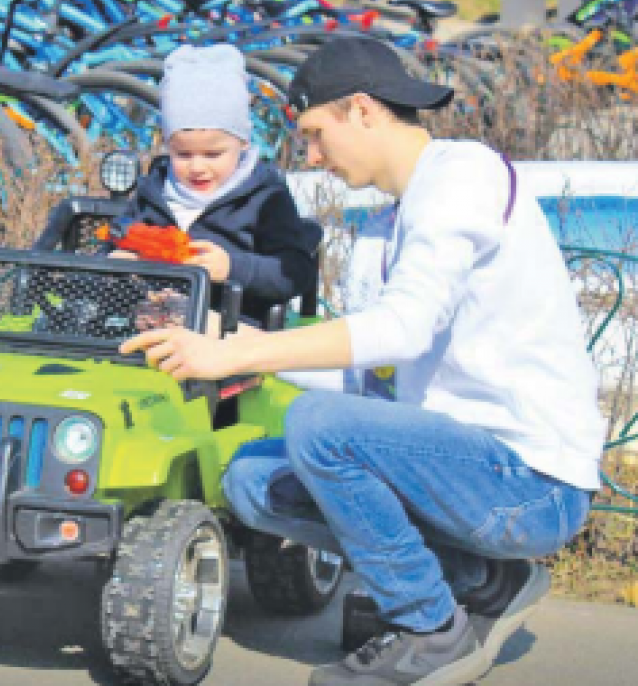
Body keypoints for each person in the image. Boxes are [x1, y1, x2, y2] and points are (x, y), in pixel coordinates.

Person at [120, 37, 605, 686]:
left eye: (317, 136)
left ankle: (429, 628)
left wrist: (240, 350)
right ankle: (484, 581)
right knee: (251, 478)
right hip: (460, 466)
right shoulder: (383, 229)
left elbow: (401, 331)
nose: (314, 159)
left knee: (321, 426)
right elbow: (366, 373)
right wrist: (214, 332)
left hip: (529, 483)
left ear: (363, 110)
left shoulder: (463, 175)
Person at [109, 43, 319, 325]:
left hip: (231, 332)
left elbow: (295, 273)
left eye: (213, 154)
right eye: (182, 154)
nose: (197, 167)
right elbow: (119, 233)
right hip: (149, 325)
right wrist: (118, 262)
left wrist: (232, 267)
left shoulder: (265, 196)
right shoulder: (155, 190)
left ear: (242, 142)